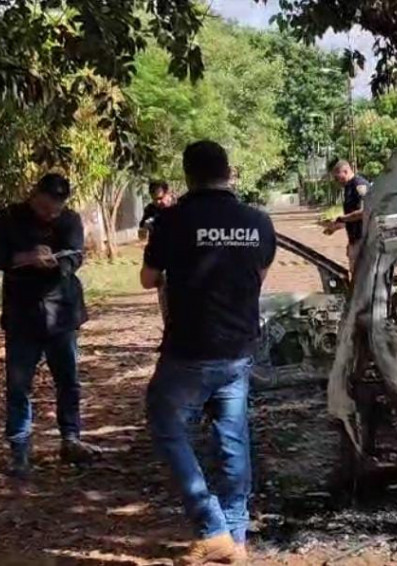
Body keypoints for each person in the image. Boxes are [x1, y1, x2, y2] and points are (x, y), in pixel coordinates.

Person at [141, 141, 276, 565]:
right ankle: (234, 539)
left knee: (165, 422)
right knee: (232, 438)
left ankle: (213, 527)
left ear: (187, 176)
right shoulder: (257, 221)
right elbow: (260, 274)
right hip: (238, 348)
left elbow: (148, 279)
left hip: (189, 349)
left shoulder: (172, 220)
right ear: (229, 172)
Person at [0, 173, 99, 478]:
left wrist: (60, 265)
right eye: (45, 208)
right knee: (19, 386)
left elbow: (76, 255)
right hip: (23, 314)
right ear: (34, 196)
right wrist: (25, 257)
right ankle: (19, 449)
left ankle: (70, 439)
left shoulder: (70, 220)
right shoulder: (9, 218)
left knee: (68, 381)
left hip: (62, 312)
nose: (50, 215)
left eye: (56, 210)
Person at [138, 180, 176, 327]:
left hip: (180, 258)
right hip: (159, 258)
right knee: (165, 297)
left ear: (169, 194)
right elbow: (142, 230)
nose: (158, 202)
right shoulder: (151, 210)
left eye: (161, 198)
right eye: (155, 199)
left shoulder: (181, 208)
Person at [324, 160, 370, 272]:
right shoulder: (348, 187)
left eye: (337, 177)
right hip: (355, 239)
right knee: (355, 274)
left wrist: (341, 218)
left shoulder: (359, 185)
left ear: (345, 171)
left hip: (364, 239)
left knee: (360, 276)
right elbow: (351, 217)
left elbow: (364, 212)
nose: (337, 181)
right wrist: (335, 226)